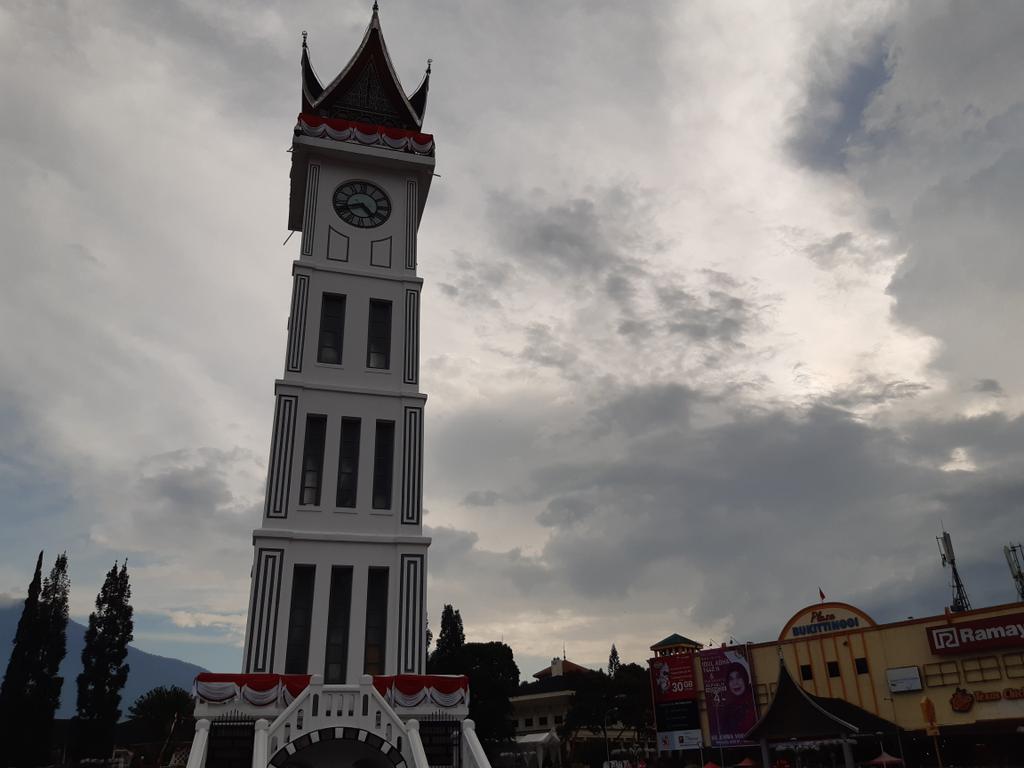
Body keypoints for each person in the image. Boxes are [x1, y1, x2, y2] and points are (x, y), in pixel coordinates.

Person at [715, 661, 757, 737]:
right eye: (731, 679)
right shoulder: (726, 709)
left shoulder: (754, 699)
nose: (735, 683)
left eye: (739, 677)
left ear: (745, 679)